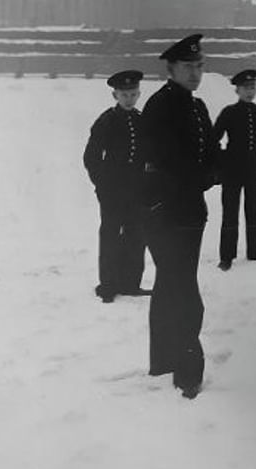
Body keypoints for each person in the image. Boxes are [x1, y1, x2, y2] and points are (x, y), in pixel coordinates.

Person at [139, 33, 218, 399]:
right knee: (184, 291)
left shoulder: (196, 106)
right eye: (188, 67)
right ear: (171, 69)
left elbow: (210, 151)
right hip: (166, 212)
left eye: (199, 66)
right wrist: (205, 176)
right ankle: (188, 374)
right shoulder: (161, 106)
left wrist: (221, 169)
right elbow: (170, 161)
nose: (195, 72)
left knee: (172, 286)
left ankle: (163, 361)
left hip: (189, 212)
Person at [82, 69, 149, 303]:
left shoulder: (142, 121)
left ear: (138, 94)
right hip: (112, 192)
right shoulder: (106, 121)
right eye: (124, 95)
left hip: (137, 191)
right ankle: (108, 286)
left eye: (133, 94)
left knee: (136, 235)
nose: (129, 99)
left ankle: (131, 283)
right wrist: (102, 186)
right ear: (115, 95)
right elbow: (91, 157)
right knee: (111, 235)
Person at [213, 69, 256, 271]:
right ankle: (226, 257)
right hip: (232, 170)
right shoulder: (229, 112)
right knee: (230, 213)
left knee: (255, 211)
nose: (250, 92)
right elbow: (213, 139)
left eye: (253, 87)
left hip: (255, 170)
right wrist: (222, 161)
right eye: (245, 88)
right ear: (237, 90)